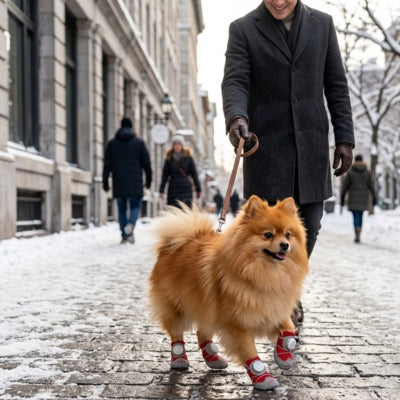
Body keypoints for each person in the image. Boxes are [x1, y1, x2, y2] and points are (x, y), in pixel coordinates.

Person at [222, 0, 355, 329]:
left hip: (310, 146)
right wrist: (236, 117)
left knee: (309, 225)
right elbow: (235, 80)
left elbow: (335, 84)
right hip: (266, 150)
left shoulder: (322, 25)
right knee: (267, 232)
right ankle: (280, 301)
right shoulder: (243, 29)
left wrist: (345, 138)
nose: (279, 2)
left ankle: (287, 291)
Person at [103, 117, 152, 244]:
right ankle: (130, 225)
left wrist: (105, 181)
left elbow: (107, 164)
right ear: (131, 127)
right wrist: (149, 179)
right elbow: (146, 163)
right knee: (135, 206)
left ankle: (124, 236)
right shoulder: (139, 143)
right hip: (135, 182)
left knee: (121, 209)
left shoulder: (112, 144)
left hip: (119, 181)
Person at [340, 154, 375, 243]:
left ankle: (357, 234)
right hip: (363, 198)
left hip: (353, 198)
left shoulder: (350, 172)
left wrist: (342, 198)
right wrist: (374, 197)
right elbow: (371, 186)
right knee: (360, 215)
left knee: (355, 215)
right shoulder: (367, 173)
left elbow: (345, 187)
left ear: (355, 161)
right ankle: (359, 233)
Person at [159, 135, 201, 208]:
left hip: (186, 188)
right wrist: (161, 190)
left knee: (186, 209)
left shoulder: (188, 158)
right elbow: (164, 176)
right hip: (173, 188)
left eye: (179, 144)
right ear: (173, 146)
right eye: (175, 144)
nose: (177, 146)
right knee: (173, 210)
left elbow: (194, 174)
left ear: (182, 145)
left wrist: (198, 189)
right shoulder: (169, 159)